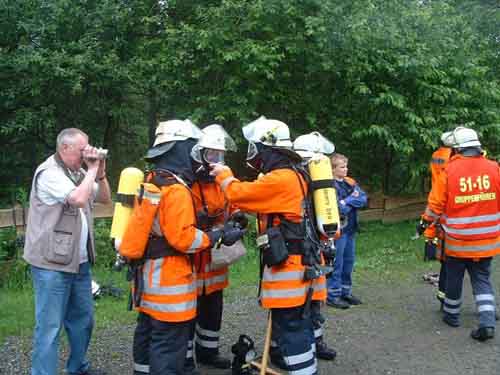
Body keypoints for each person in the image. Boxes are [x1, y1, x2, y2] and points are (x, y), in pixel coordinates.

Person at [119, 119, 245, 375]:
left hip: (148, 278)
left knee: (147, 335)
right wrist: (217, 235)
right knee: (169, 345)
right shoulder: (176, 189)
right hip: (170, 282)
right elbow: (184, 240)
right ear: (179, 149)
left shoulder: (154, 179)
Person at [210, 116, 319, 375]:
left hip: (289, 269)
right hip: (298, 265)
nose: (254, 154)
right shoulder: (295, 174)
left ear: (269, 149)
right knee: (297, 325)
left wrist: (223, 175)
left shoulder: (281, 178)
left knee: (291, 328)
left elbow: (239, 194)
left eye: (257, 147)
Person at [23, 128, 111, 375]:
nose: (87, 154)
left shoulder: (78, 172)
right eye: (82, 150)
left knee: (83, 322)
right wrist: (92, 170)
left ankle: (78, 368)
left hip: (78, 262)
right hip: (51, 264)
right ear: (64, 148)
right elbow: (78, 199)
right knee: (50, 328)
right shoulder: (49, 173)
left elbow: (105, 198)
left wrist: (100, 172)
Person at [424, 126, 499, 341]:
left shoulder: (450, 171)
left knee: (454, 275)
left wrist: (425, 224)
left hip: (458, 240)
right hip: (487, 240)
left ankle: (451, 314)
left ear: (456, 149)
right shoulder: (494, 168)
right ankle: (486, 319)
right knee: (482, 277)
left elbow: (436, 205)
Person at [187, 124, 243, 371]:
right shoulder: (185, 181)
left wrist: (238, 219)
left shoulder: (222, 181)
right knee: (187, 311)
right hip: (193, 257)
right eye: (211, 154)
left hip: (215, 258)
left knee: (213, 308)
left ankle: (208, 352)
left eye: (219, 155)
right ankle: (186, 357)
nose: (215, 161)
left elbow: (233, 203)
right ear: (197, 153)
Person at [292, 131, 337, 361]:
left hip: (307, 250)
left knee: (304, 303)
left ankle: (312, 343)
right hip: (308, 250)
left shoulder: (315, 184)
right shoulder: (310, 181)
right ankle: (311, 344)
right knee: (306, 302)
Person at [326, 153, 367, 309]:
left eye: (346, 166)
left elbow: (362, 199)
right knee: (338, 261)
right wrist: (351, 201)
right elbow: (339, 209)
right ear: (333, 169)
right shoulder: (329, 186)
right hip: (338, 231)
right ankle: (333, 294)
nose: (346, 169)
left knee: (349, 261)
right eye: (342, 167)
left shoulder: (349, 182)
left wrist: (347, 201)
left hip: (351, 229)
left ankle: (345, 292)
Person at [418, 131, 453, 305]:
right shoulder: (452, 156)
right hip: (447, 195)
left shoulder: (436, 155)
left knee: (433, 226)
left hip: (436, 192)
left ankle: (430, 250)